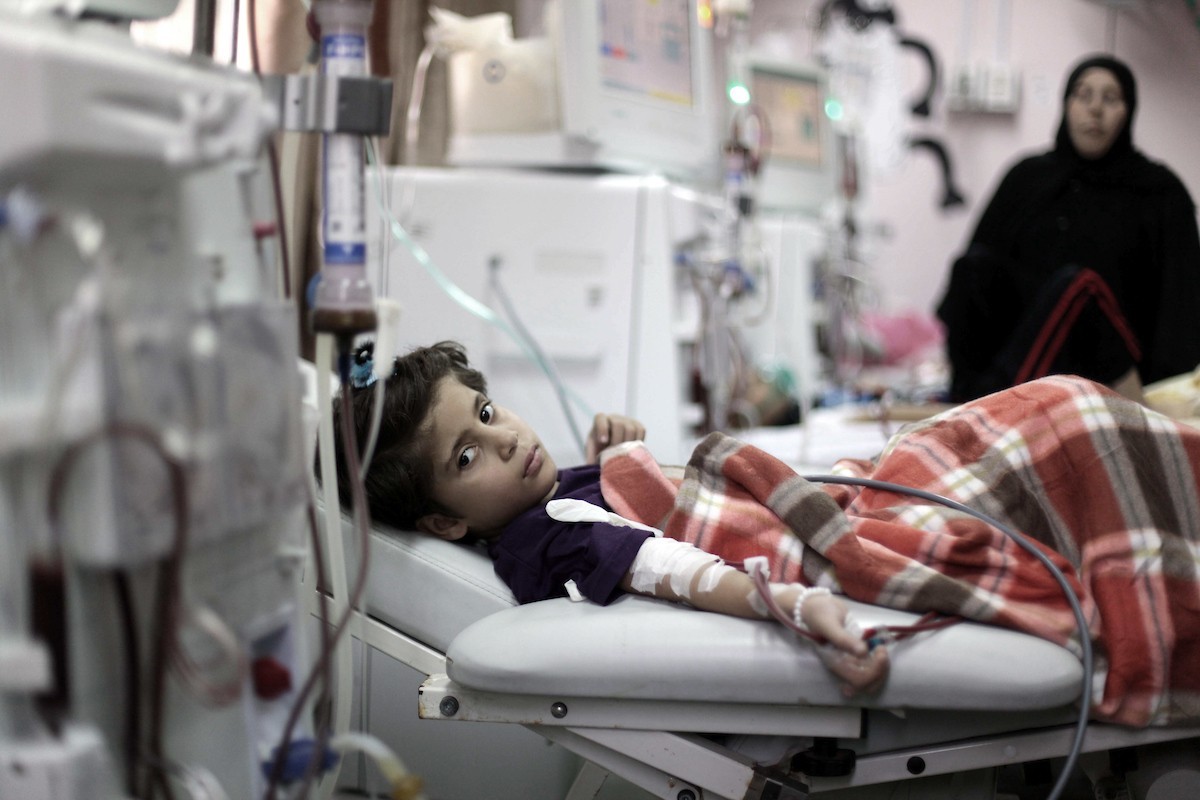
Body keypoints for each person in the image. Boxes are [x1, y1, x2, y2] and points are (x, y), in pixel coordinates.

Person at [326, 340, 889, 697]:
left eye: (487, 412)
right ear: (443, 523)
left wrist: (608, 465)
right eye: (466, 457)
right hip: (805, 546)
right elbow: (664, 564)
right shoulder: (542, 539)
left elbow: (615, 516)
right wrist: (791, 605)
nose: (506, 438)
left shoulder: (546, 502)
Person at [936, 54, 1200, 403]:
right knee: (973, 266)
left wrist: (1165, 402)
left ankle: (996, 408)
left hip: (1112, 380)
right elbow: (975, 284)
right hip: (1022, 366)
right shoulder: (1028, 179)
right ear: (1066, 104)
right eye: (1083, 95)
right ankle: (972, 401)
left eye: (1110, 98)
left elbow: (1182, 310)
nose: (1095, 109)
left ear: (1128, 111)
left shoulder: (1159, 192)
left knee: (1078, 288)